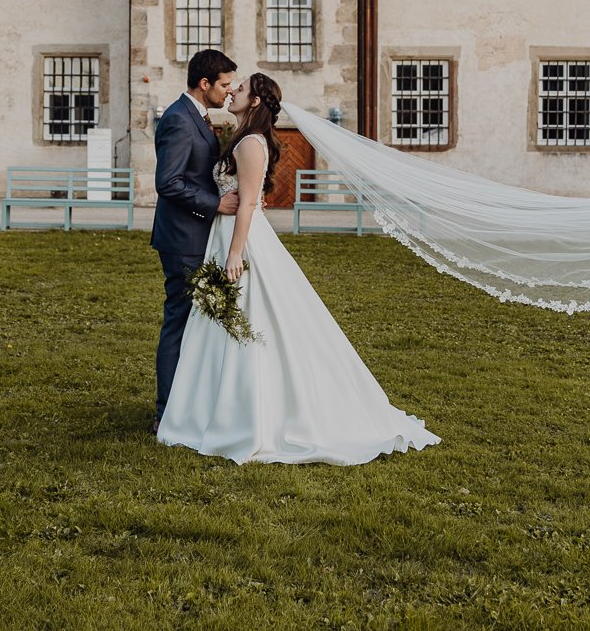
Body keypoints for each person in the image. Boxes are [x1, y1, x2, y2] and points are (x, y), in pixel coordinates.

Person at [156, 72, 439, 465]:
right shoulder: (241, 138)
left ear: (255, 102)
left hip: (240, 240)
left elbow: (249, 204)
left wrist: (235, 253)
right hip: (222, 235)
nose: (233, 91)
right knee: (221, 322)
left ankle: (248, 413)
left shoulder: (252, 143)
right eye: (231, 86)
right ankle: (207, 407)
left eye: (240, 89)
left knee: (249, 317)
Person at [150, 48, 241, 431]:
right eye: (223, 85)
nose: (229, 91)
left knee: (193, 324)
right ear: (204, 84)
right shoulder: (178, 119)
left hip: (195, 235)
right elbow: (168, 182)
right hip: (182, 239)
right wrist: (215, 204)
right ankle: (167, 412)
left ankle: (189, 404)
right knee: (179, 322)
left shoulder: (198, 117)